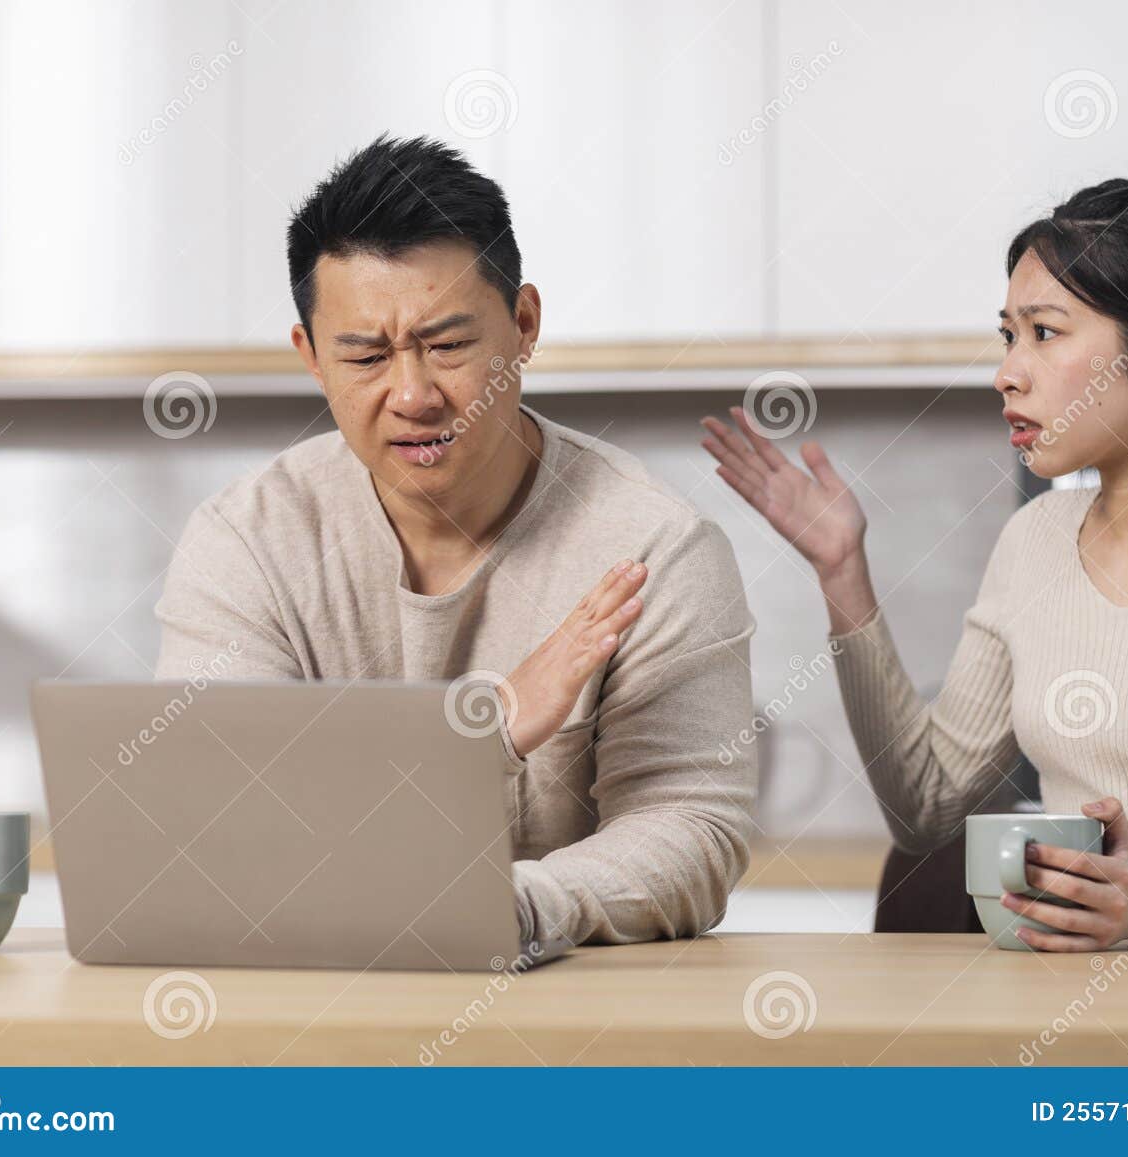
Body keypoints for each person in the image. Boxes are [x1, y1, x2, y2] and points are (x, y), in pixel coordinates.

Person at [702, 178, 1128, 949]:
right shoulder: (1034, 539)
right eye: (1008, 336)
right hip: (1064, 1012)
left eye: (1046, 332)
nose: (1008, 371)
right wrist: (840, 572)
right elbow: (926, 808)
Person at [155, 135, 757, 947]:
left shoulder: (654, 546)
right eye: (365, 355)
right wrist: (488, 728)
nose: (413, 394)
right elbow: (231, 833)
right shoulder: (247, 545)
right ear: (311, 360)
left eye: (447, 346)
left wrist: (504, 911)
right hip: (309, 1020)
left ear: (524, 324)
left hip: (572, 1032)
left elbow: (691, 829)